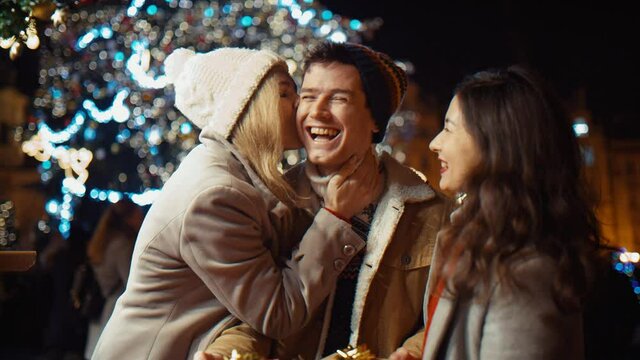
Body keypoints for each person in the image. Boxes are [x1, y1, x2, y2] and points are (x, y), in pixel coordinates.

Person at [92, 47, 379, 359]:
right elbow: (278, 313)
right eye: (284, 94)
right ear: (243, 108)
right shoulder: (216, 195)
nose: (300, 105)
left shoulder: (236, 176)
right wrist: (335, 217)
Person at [203, 42, 450, 359]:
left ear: (375, 119)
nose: (316, 111)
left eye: (338, 99)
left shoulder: (429, 212)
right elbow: (251, 319)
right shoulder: (272, 201)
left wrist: (412, 352)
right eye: (307, 96)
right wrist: (225, 354)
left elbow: (442, 315)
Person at [413, 66, 599, 360]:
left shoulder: (525, 271)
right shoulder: (473, 241)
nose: (435, 143)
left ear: (494, 143)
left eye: (448, 128)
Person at [84, 199, 144, 359]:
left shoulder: (104, 242)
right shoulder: (122, 245)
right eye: (139, 214)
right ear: (128, 218)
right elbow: (130, 281)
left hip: (104, 303)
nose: (143, 218)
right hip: (115, 306)